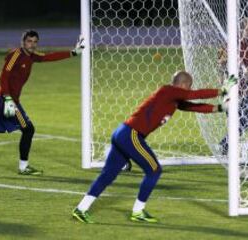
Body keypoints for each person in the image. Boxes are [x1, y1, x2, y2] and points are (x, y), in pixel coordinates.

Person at [72, 71, 235, 224]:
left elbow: (193, 106)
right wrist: (221, 91)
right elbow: (192, 95)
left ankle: (81, 208)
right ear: (184, 84)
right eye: (189, 86)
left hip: (123, 134)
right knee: (154, 170)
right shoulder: (168, 90)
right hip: (131, 135)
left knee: (108, 175)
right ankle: (138, 211)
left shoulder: (173, 100)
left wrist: (219, 108)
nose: (190, 89)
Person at [0, 30, 84, 177]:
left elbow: (49, 56)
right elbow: (3, 76)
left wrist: (74, 52)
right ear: (23, 42)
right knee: (28, 129)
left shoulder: (31, 56)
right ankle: (23, 167)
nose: (32, 44)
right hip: (4, 100)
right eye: (29, 41)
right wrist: (8, 98)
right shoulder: (16, 55)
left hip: (1, 100)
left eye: (35, 42)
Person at [218, 17, 248, 156]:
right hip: (229, 86)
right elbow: (220, 65)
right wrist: (226, 86)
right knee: (235, 119)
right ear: (241, 29)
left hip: (245, 88)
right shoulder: (230, 43)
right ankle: (227, 145)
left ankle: (226, 143)